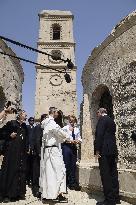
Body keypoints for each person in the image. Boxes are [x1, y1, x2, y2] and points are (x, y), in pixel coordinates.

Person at [39, 107, 68, 203]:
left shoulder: (46, 122)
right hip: (53, 150)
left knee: (49, 173)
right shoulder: (51, 123)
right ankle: (56, 194)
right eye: (57, 112)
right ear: (53, 112)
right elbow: (60, 132)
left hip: (49, 150)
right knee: (59, 171)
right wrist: (67, 135)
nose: (58, 114)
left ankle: (50, 194)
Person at [0, 110, 28, 202]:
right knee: (10, 172)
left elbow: (26, 139)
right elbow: (1, 133)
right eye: (24, 115)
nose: (26, 116)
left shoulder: (24, 126)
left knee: (19, 173)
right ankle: (7, 195)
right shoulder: (11, 123)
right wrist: (9, 135)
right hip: (11, 153)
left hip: (21, 154)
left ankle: (17, 193)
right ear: (19, 115)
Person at [94, 108, 120, 205]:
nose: (97, 116)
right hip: (112, 150)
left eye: (97, 114)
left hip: (104, 151)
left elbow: (99, 135)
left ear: (100, 113)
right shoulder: (111, 120)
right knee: (113, 174)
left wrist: (97, 150)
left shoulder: (102, 120)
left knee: (106, 175)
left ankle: (109, 200)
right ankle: (116, 197)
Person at [62, 115, 82, 191]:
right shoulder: (65, 128)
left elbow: (79, 137)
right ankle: (64, 183)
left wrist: (79, 140)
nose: (71, 122)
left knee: (73, 165)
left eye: (73, 120)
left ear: (75, 121)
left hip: (73, 147)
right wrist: (70, 140)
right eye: (70, 120)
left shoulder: (77, 129)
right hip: (66, 147)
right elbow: (63, 138)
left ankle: (72, 183)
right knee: (66, 165)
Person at [32, 114, 48, 198]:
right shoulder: (38, 127)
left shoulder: (45, 128)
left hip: (43, 153)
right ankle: (35, 190)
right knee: (36, 172)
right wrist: (39, 152)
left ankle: (41, 188)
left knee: (41, 172)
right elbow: (37, 140)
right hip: (38, 153)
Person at [26, 117, 35, 186]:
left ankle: (32, 179)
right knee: (27, 165)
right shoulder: (27, 127)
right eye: (30, 120)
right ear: (28, 121)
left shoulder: (34, 128)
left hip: (33, 148)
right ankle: (27, 179)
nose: (32, 121)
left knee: (32, 165)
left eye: (33, 120)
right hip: (28, 148)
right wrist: (28, 147)